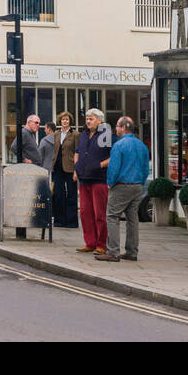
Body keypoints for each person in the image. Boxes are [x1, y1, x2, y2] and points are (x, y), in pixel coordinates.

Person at [97, 117, 149, 263]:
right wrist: (140, 182)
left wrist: (110, 183)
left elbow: (114, 167)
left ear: (123, 128)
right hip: (137, 186)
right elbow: (146, 169)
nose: (116, 130)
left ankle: (112, 252)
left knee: (112, 216)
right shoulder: (142, 146)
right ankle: (132, 252)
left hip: (121, 185)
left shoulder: (119, 145)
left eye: (117, 127)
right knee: (133, 219)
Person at [74, 108, 112, 254]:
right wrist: (76, 167)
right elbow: (77, 152)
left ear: (100, 120)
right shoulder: (83, 134)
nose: (88, 121)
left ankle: (101, 244)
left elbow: (113, 155)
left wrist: (98, 166)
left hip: (99, 179)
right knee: (85, 213)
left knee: (99, 214)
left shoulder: (106, 135)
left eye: (91, 118)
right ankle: (90, 242)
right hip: (84, 179)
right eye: (87, 118)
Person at [52, 112, 79, 228]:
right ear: (60, 121)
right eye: (63, 119)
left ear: (70, 121)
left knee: (71, 194)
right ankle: (59, 220)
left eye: (67, 119)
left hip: (70, 168)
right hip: (58, 168)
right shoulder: (56, 134)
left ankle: (72, 222)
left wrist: (76, 171)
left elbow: (78, 153)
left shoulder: (76, 134)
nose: (65, 121)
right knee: (58, 194)